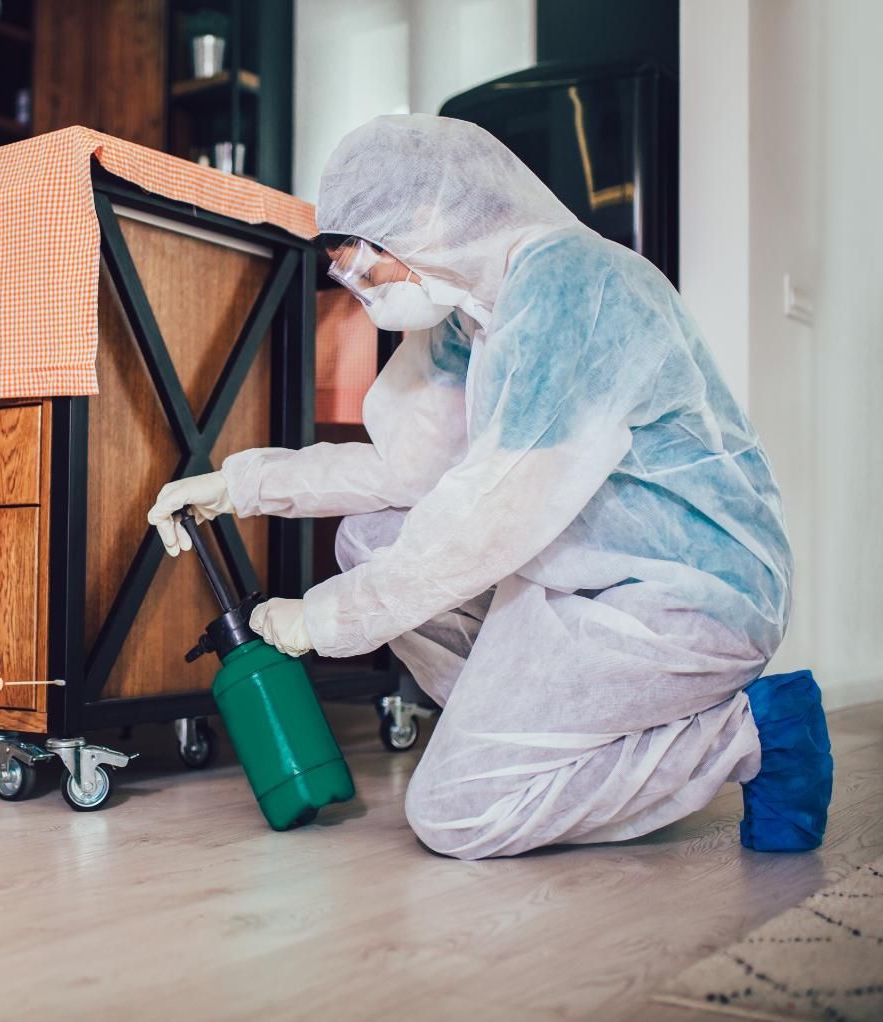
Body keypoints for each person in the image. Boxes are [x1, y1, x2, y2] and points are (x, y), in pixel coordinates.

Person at [148, 114, 832, 860]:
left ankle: (751, 734)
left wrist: (324, 619)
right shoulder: (467, 314)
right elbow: (403, 470)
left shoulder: (576, 288)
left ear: (426, 219)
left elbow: (491, 513)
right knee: (368, 537)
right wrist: (239, 483)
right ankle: (536, 741)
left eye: (364, 268)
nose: (362, 294)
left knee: (455, 814)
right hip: (574, 580)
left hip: (678, 598)